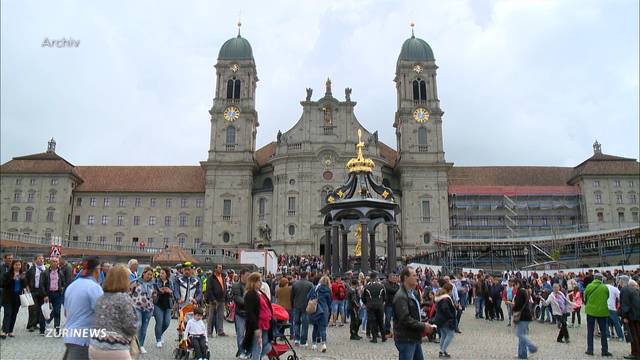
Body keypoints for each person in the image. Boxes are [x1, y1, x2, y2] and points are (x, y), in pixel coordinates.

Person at [89, 264, 138, 360]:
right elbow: (130, 327)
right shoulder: (124, 298)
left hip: (95, 347)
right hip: (116, 349)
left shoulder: (100, 298)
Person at [63, 256, 104, 360]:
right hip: (84, 339)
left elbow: (66, 312)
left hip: (71, 335)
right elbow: (102, 313)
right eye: (100, 269)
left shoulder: (72, 286)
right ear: (96, 270)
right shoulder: (94, 287)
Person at [393, 267, 435, 360]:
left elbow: (415, 314)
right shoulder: (401, 296)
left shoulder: (414, 293)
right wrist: (423, 326)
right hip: (406, 338)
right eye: (414, 275)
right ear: (405, 278)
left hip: (414, 336)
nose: (417, 277)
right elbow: (405, 319)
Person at [242, 272, 273, 360]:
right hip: (258, 324)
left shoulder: (259, 292)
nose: (260, 283)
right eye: (259, 281)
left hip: (266, 324)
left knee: (267, 346)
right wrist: (256, 328)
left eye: (261, 281)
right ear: (253, 282)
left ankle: (255, 358)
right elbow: (250, 312)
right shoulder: (250, 294)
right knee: (258, 347)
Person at [584, 273, 612, 357]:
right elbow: (607, 297)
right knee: (603, 332)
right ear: (601, 279)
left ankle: (590, 349)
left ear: (594, 278)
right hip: (602, 311)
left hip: (591, 311)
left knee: (590, 331)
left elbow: (585, 297)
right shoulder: (605, 287)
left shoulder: (589, 286)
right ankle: (604, 350)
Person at [130, 266, 156, 354]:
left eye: (151, 275)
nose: (149, 276)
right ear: (143, 273)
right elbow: (130, 293)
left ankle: (141, 345)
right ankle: (133, 345)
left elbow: (155, 298)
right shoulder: (136, 282)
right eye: (148, 274)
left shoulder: (153, 284)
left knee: (144, 329)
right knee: (139, 325)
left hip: (148, 308)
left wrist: (155, 296)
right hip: (137, 307)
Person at [1, 259, 26, 338]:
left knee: (14, 314)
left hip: (17, 297)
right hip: (8, 297)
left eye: (19, 265)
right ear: (12, 265)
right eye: (16, 265)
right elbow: (2, 284)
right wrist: (13, 279)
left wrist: (23, 279)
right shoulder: (7, 274)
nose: (17, 266)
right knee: (7, 313)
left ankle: (10, 330)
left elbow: (25, 285)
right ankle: (4, 331)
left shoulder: (22, 274)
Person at [512, 278, 537, 359]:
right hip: (525, 315)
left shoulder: (520, 292)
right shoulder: (524, 291)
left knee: (520, 334)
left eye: (514, 285)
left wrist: (513, 307)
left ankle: (532, 346)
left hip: (523, 316)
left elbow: (518, 304)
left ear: (518, 284)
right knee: (521, 335)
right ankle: (522, 354)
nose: (513, 287)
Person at [44, 257, 67, 335]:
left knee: (57, 311)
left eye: (56, 261)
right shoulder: (45, 272)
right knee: (44, 310)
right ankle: (43, 325)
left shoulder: (60, 272)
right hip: (48, 293)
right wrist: (45, 295)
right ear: (50, 262)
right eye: (53, 261)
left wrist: (62, 289)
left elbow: (64, 282)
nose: (55, 263)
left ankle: (57, 329)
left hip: (57, 294)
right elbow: (42, 284)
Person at [309, 275, 332, 352]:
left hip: (316, 309)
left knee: (315, 327)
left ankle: (314, 344)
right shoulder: (328, 290)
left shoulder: (315, 288)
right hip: (324, 310)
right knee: (323, 328)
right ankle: (323, 344)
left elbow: (309, 297)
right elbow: (329, 302)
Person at [434, 283, 457, 358]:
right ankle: (442, 351)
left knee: (443, 335)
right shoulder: (445, 298)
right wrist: (450, 316)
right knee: (450, 334)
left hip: (440, 319)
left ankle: (442, 350)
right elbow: (445, 308)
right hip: (446, 320)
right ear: (449, 290)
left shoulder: (440, 297)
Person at [25, 254, 47, 334]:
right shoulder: (31, 269)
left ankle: (37, 323)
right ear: (35, 260)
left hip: (42, 291)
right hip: (33, 290)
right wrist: (27, 288)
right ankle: (31, 325)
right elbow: (26, 279)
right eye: (39, 258)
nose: (41, 260)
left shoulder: (46, 269)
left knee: (41, 309)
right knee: (33, 308)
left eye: (42, 258)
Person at [291, 271, 313, 347]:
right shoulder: (310, 284)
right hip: (306, 306)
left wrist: (292, 305)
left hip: (297, 305)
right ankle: (303, 341)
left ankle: (297, 339)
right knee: (305, 323)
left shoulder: (295, 284)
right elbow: (313, 295)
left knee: (296, 322)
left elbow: (292, 296)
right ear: (306, 276)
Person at [153, 267, 174, 348]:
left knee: (167, 322)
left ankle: (160, 334)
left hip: (168, 304)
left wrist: (169, 291)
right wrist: (160, 290)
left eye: (163, 273)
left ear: (167, 274)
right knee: (159, 322)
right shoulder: (156, 281)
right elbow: (155, 290)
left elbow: (173, 292)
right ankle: (158, 340)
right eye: (160, 273)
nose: (161, 275)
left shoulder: (170, 282)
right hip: (158, 304)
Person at [620, 277, 640, 360]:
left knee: (633, 335)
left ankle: (635, 353)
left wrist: (624, 316)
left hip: (632, 316)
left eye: (619, 281)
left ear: (622, 282)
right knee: (638, 335)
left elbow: (625, 304)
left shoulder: (625, 290)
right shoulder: (635, 289)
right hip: (637, 315)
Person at [363, 271, 386, 343]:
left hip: (370, 306)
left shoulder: (367, 286)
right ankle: (383, 336)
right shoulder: (381, 286)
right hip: (379, 305)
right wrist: (382, 302)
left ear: (370, 278)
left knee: (373, 321)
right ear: (376, 277)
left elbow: (363, 297)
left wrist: (366, 303)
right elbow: (384, 296)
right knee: (381, 321)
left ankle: (374, 338)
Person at [205, 264, 227, 337]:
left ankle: (220, 331)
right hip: (214, 300)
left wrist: (225, 298)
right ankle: (209, 332)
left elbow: (224, 287)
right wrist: (213, 299)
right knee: (211, 317)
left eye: (221, 268)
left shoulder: (223, 277)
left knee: (221, 316)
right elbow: (209, 289)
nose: (221, 269)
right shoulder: (211, 278)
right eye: (219, 268)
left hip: (221, 299)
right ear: (215, 269)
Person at [232, 268, 249, 358]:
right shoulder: (236, 286)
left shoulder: (250, 286)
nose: (248, 277)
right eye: (247, 275)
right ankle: (242, 352)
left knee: (249, 334)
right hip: (240, 314)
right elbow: (238, 299)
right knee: (240, 334)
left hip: (249, 314)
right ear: (242, 275)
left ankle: (246, 351)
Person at [383, 273, 399, 337]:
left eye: (395, 277)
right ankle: (386, 331)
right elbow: (391, 290)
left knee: (396, 319)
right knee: (388, 318)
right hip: (388, 304)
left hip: (395, 304)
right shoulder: (386, 284)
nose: (394, 279)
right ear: (389, 278)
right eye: (393, 277)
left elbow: (398, 290)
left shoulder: (397, 285)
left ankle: (396, 331)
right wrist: (395, 291)